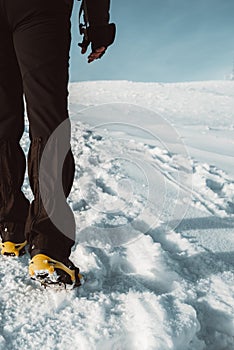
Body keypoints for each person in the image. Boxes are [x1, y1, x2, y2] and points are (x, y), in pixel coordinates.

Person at [0, 0, 115, 287]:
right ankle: (48, 248)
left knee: (2, 122)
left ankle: (10, 228)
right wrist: (98, 24)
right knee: (47, 120)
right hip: (39, 9)